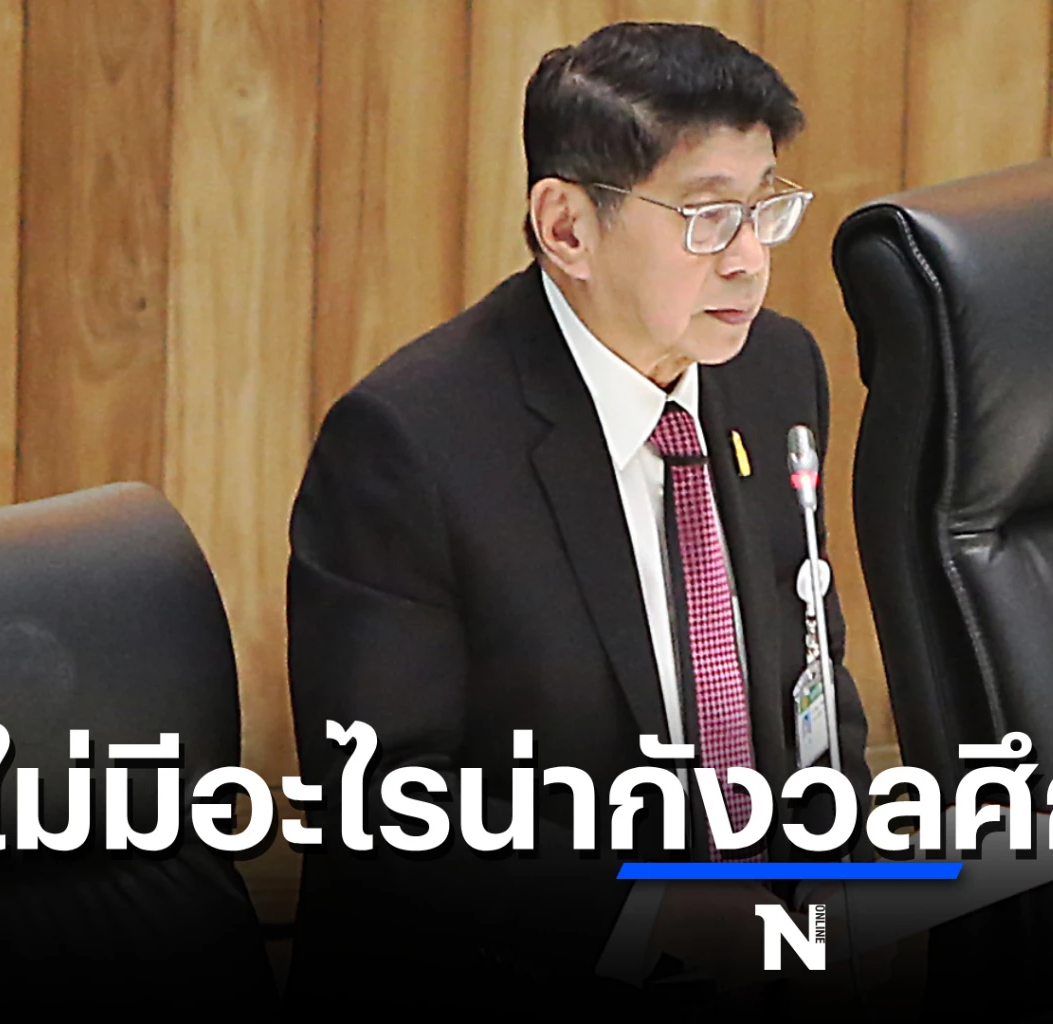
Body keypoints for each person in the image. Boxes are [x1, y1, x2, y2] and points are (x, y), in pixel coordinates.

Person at [283, 21, 873, 1015]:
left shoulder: (775, 371)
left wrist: (844, 886)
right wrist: (655, 911)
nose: (748, 260)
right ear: (566, 228)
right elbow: (385, 809)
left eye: (763, 208)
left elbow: (809, 670)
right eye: (706, 217)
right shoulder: (408, 446)